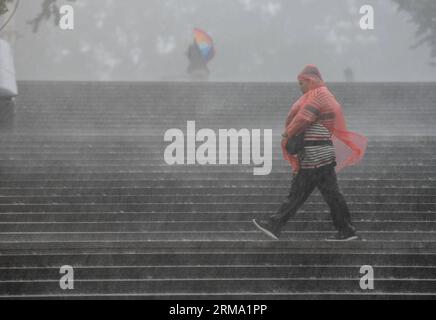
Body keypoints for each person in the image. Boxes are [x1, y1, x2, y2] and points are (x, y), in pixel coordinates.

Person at [253, 65, 367, 241]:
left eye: (301, 83)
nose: (300, 87)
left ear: (309, 80)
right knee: (322, 195)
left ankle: (275, 226)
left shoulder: (318, 95)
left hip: (316, 156)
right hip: (319, 156)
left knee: (304, 195)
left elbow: (305, 117)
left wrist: (288, 132)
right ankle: (346, 230)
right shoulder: (325, 94)